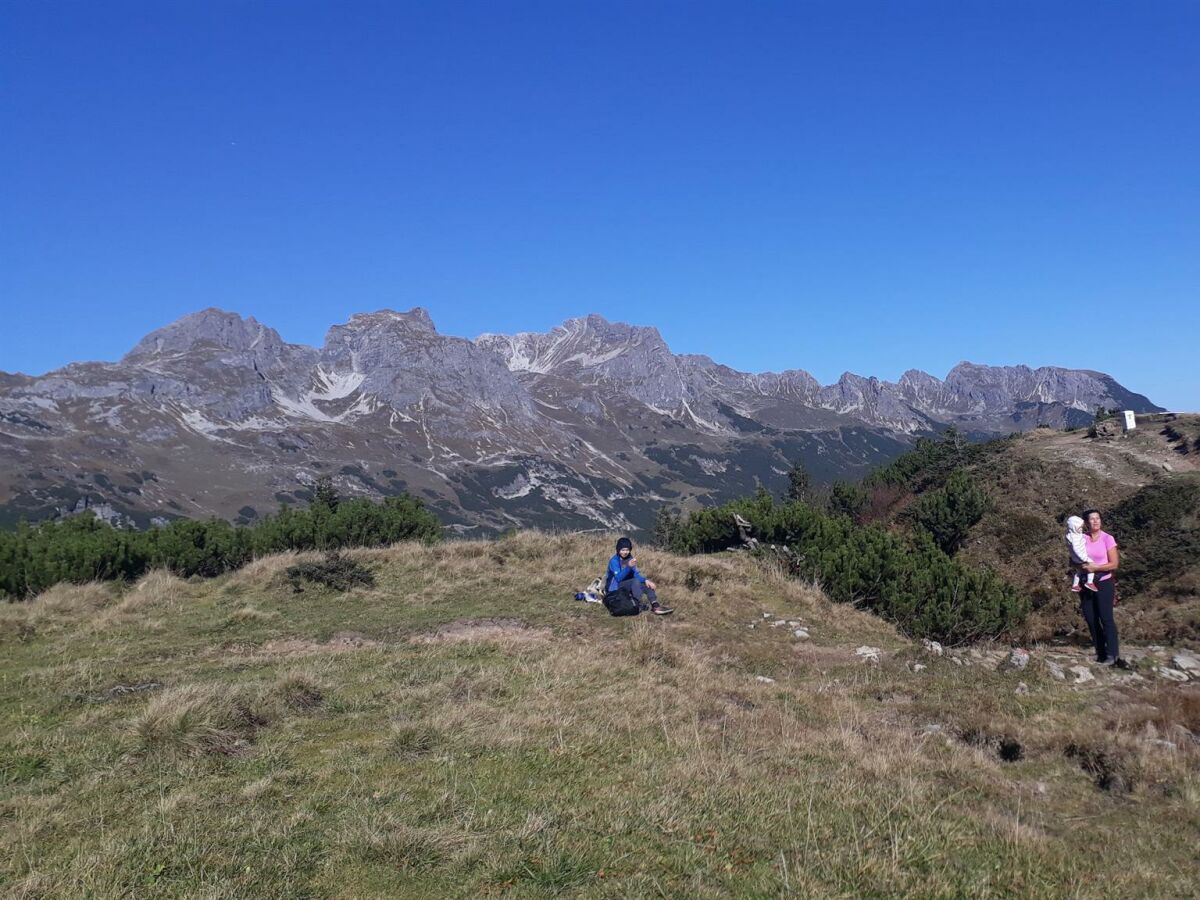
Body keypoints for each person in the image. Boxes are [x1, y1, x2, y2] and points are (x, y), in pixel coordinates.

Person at [1078, 508, 1120, 665]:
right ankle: (1100, 652)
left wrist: (1095, 568)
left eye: (1098, 518)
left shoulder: (1107, 539)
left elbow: (1114, 563)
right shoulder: (1082, 538)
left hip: (1104, 583)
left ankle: (1113, 654)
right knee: (1091, 618)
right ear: (1086, 522)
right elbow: (1073, 558)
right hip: (1085, 583)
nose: (1095, 521)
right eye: (1092, 519)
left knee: (1106, 618)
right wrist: (1079, 565)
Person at [606, 537, 673, 615]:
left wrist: (645, 580)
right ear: (618, 550)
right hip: (615, 587)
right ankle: (637, 603)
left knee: (646, 584)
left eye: (627, 550)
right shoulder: (614, 561)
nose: (625, 552)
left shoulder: (630, 558)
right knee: (635, 581)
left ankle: (655, 605)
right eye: (623, 550)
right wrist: (628, 567)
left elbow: (635, 574)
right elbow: (618, 578)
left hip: (626, 584)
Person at [1064, 515, 1098, 592]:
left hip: (1075, 558)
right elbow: (1076, 549)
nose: (1081, 529)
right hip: (1080, 557)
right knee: (1091, 565)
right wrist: (1084, 558)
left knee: (1079, 571)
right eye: (1079, 528)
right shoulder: (1074, 538)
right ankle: (1090, 582)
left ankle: (1075, 585)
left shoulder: (1072, 535)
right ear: (1074, 527)